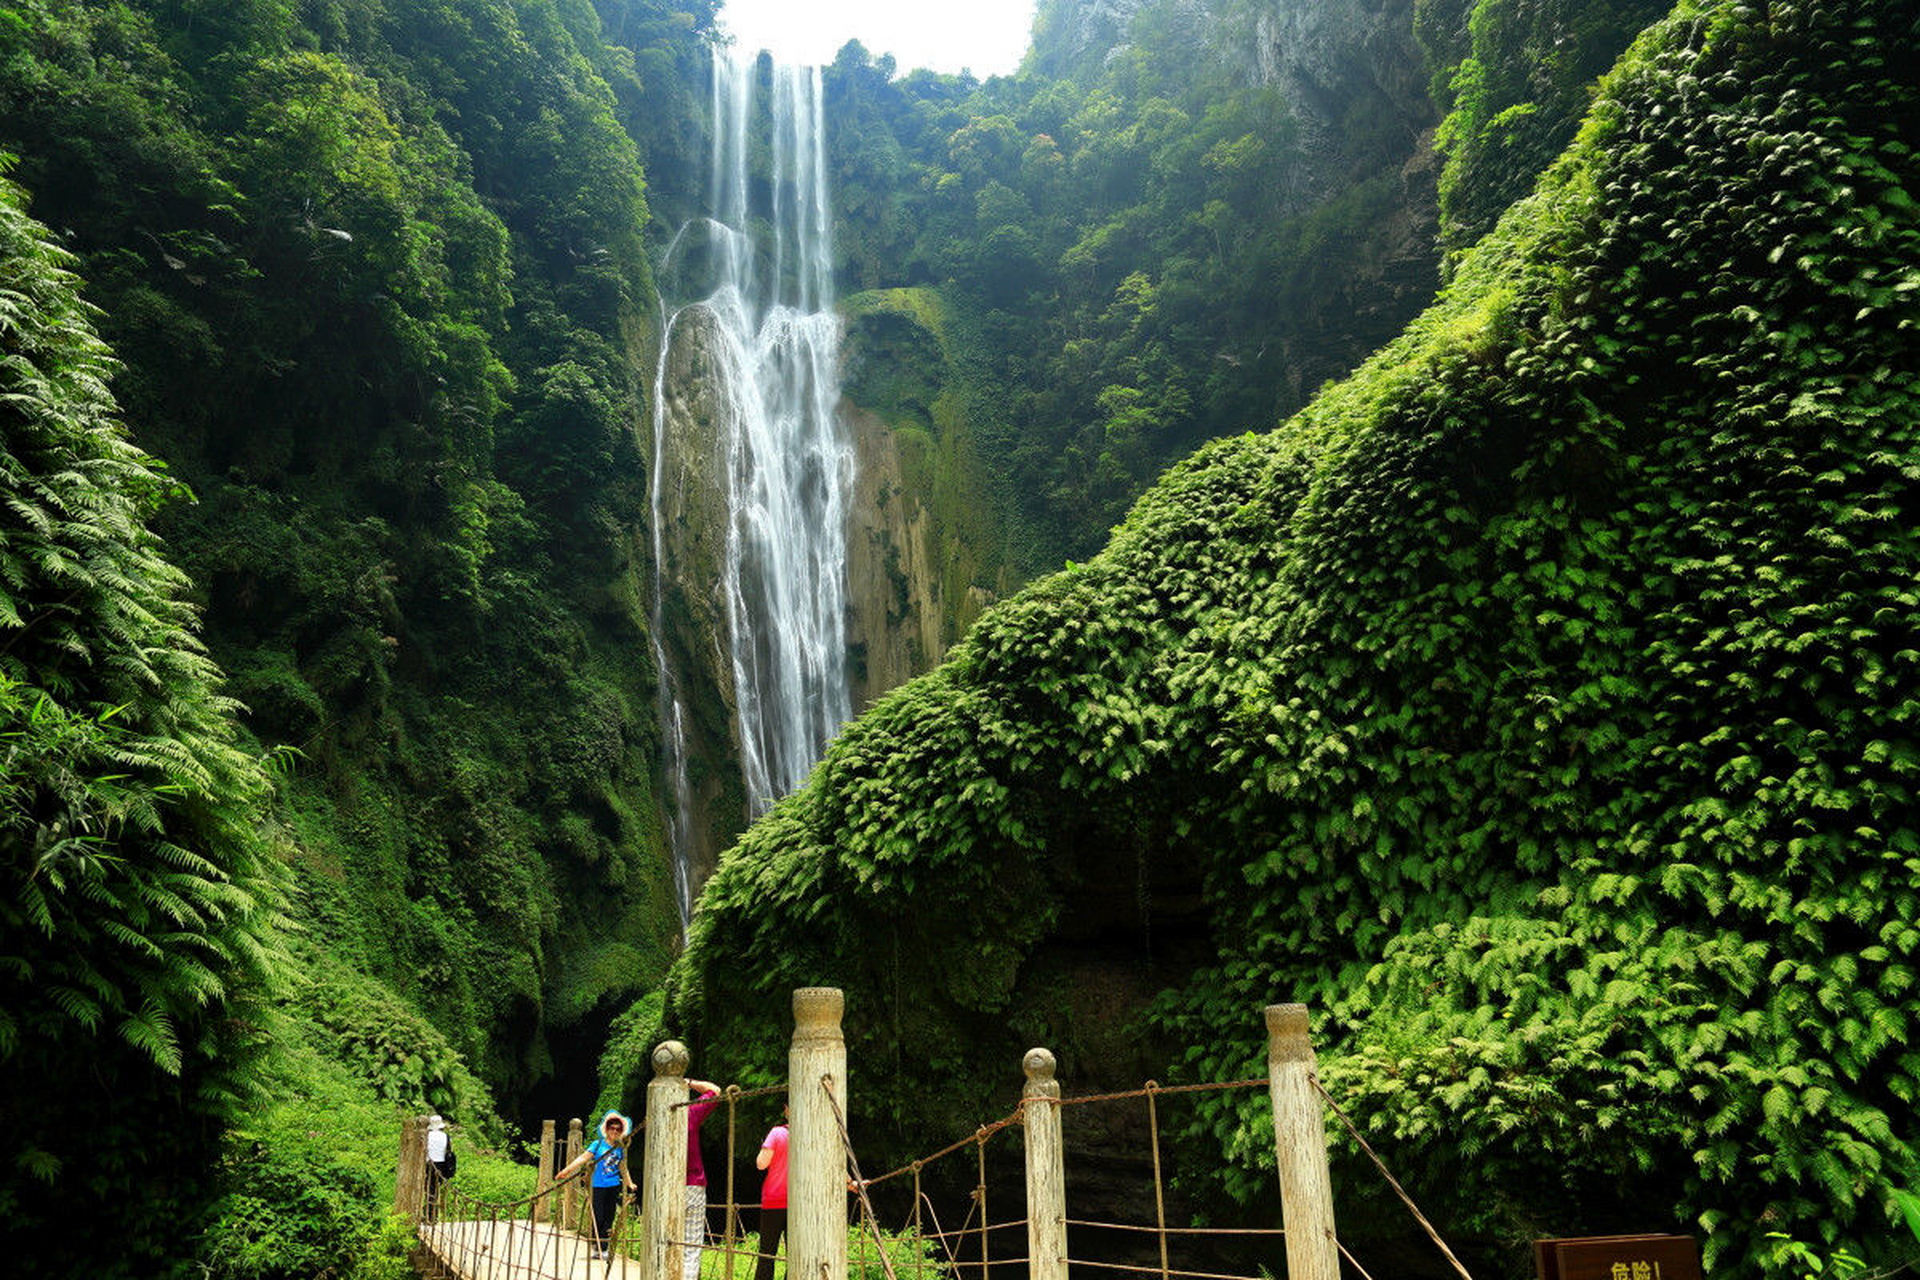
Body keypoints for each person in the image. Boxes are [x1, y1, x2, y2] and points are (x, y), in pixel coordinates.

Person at [560, 1110, 636, 1260]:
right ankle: (596, 1244)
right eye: (611, 1128)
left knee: (609, 1218)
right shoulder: (598, 1144)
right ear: (606, 1129)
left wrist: (630, 1183)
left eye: (618, 1129)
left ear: (621, 1131)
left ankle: (604, 1249)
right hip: (598, 1186)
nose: (614, 1131)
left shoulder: (620, 1148)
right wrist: (567, 1170)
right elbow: (583, 1158)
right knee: (598, 1216)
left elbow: (623, 1168)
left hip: (613, 1186)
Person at [684, 1079, 722, 1280]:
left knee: (664, 1241)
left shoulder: (657, 1118)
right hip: (693, 1185)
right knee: (691, 1247)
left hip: (664, 1186)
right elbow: (715, 1091)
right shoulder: (689, 1114)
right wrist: (689, 1082)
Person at [753, 1105, 790, 1280]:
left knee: (767, 1255)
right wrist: (851, 1183)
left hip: (774, 1200)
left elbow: (761, 1164)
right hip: (801, 1205)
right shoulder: (814, 1135)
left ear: (786, 1110)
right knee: (797, 1255)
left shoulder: (777, 1133)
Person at [424, 1115, 454, 1220]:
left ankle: (429, 1214)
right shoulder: (446, 1136)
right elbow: (449, 1151)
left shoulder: (426, 1135)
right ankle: (433, 1214)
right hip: (441, 1166)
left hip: (428, 1164)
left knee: (428, 1189)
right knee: (435, 1189)